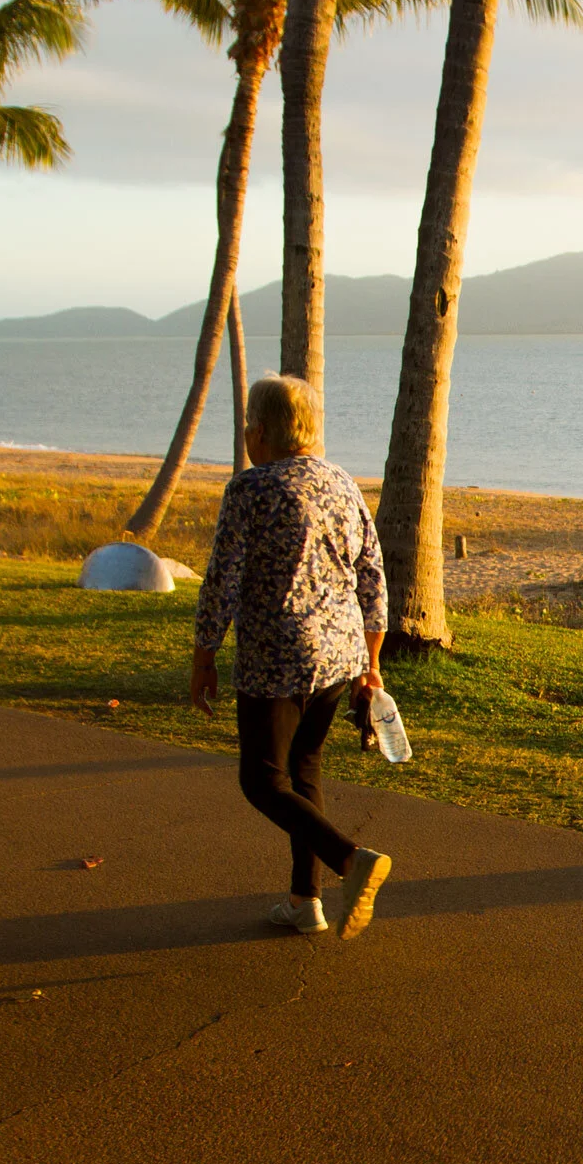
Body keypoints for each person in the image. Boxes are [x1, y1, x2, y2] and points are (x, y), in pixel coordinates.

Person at [191, 374, 394, 938]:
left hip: (275, 658)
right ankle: (306, 902)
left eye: (248, 427)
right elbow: (373, 577)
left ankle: (350, 859)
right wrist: (372, 663)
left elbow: (222, 581)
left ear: (259, 431)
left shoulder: (250, 489)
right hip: (339, 656)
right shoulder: (342, 484)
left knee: (261, 780)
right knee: (303, 771)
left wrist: (203, 653)